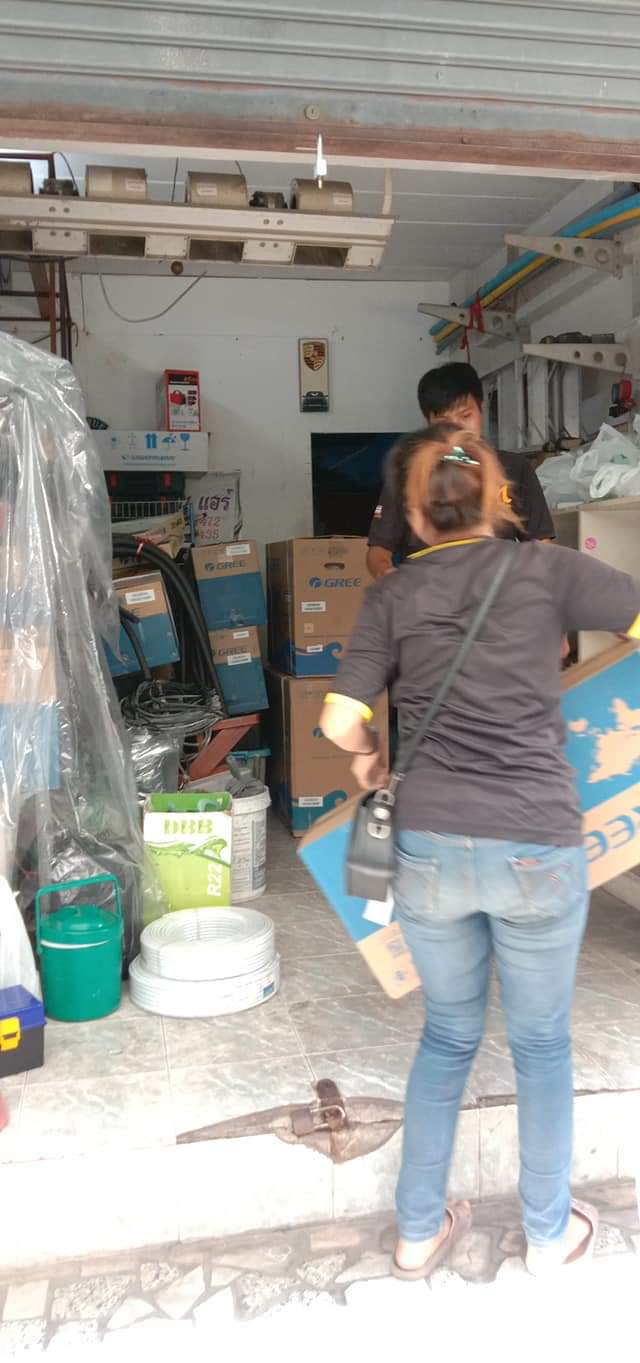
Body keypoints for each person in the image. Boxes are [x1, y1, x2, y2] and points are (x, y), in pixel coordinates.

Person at [321, 423, 640, 1279]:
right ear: (499, 498)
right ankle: (547, 1232)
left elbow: (339, 718)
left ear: (412, 516)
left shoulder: (392, 595)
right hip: (536, 842)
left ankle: (417, 1230)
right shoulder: (548, 569)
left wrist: (368, 757)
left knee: (448, 1033)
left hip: (428, 846)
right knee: (541, 1046)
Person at [366, 361, 554, 580]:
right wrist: (389, 576)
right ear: (428, 421)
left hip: (496, 592)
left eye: (465, 416)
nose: (456, 429)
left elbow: (541, 544)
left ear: (481, 408)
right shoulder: (408, 474)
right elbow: (378, 551)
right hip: (429, 591)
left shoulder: (515, 468)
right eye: (443, 421)